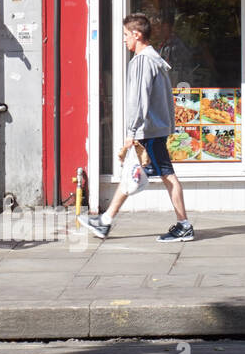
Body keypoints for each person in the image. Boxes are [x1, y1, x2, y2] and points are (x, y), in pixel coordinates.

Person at [79, 14, 194, 242]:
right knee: (132, 174)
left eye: (125, 34)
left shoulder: (142, 61)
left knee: (167, 175)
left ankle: (184, 225)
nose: (124, 39)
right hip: (153, 130)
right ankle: (105, 221)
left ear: (137, 34)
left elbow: (139, 100)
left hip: (148, 131)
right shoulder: (155, 58)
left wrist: (131, 132)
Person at [152, 9, 196, 86]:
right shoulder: (162, 44)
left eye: (165, 29)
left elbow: (184, 61)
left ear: (171, 29)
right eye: (162, 29)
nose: (163, 32)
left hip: (176, 79)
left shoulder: (176, 44)